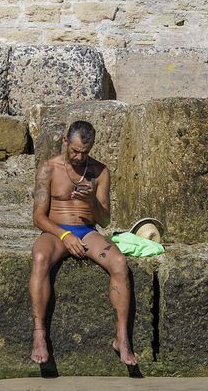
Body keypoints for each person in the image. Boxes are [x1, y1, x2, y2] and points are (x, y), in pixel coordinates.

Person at [29, 120, 137, 366]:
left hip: (87, 231)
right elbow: (38, 217)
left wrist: (92, 201)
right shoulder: (49, 169)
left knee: (119, 263)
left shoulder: (100, 171)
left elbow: (105, 220)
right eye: (75, 150)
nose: (78, 157)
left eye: (84, 153)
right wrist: (65, 236)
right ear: (65, 142)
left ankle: (121, 337)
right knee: (40, 258)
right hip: (56, 233)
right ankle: (39, 334)